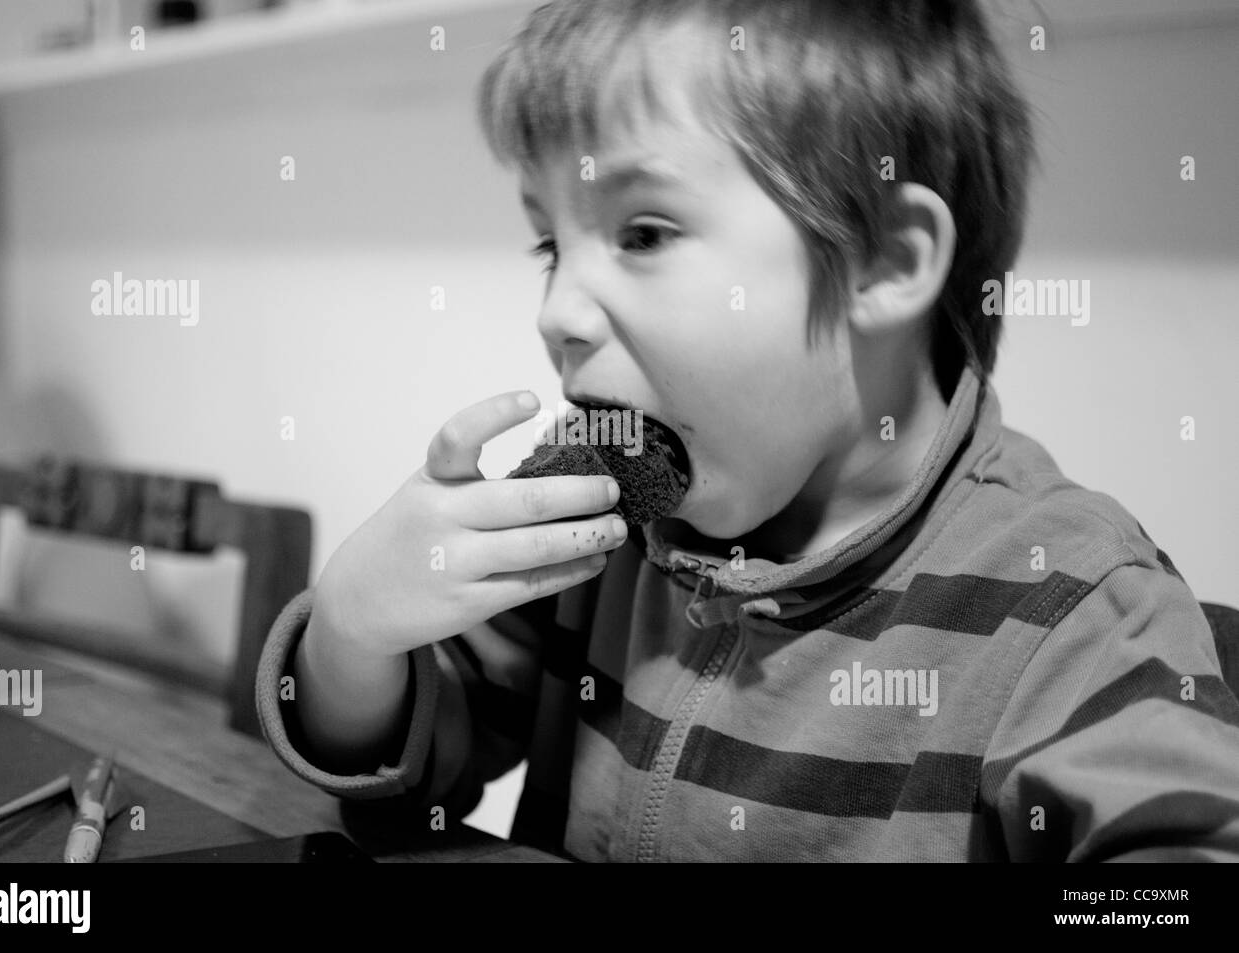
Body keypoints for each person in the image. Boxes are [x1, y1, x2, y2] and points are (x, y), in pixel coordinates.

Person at [256, 0, 1239, 861]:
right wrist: (353, 632)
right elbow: (412, 762)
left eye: (642, 232)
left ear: (882, 263)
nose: (556, 309)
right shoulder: (598, 509)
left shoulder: (1066, 604)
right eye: (550, 243)